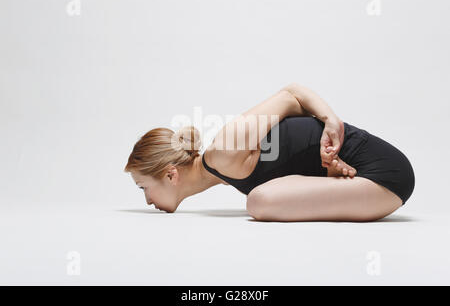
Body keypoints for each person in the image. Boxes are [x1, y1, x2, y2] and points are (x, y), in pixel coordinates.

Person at [124, 83, 415, 222]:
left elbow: (291, 96)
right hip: (366, 181)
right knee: (261, 200)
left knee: (260, 202)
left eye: (143, 188)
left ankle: (334, 176)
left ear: (170, 174)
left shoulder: (224, 150)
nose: (148, 200)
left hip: (385, 177)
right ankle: (333, 176)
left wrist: (329, 121)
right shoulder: (220, 172)